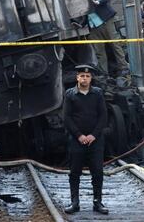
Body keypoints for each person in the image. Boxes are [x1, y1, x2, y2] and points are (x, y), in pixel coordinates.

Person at [63, 65, 108, 215]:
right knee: (74, 172)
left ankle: (97, 202)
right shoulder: (70, 95)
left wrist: (93, 135)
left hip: (95, 139)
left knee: (98, 172)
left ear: (91, 78)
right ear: (77, 78)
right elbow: (67, 118)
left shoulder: (98, 94)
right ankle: (74, 202)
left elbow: (103, 116)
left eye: (87, 76)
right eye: (82, 76)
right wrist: (79, 135)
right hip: (77, 140)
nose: (85, 78)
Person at [88, 0, 129, 76]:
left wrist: (97, 2)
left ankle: (123, 67)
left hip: (105, 21)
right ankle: (104, 73)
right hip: (93, 26)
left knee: (115, 44)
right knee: (99, 51)